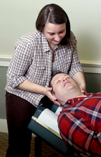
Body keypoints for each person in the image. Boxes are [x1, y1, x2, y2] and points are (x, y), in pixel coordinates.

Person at [5, 4, 86, 157]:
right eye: (51, 33)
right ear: (41, 28)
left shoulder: (70, 38)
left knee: (72, 131)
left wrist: (81, 84)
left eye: (61, 31)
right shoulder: (27, 43)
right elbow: (13, 78)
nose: (57, 38)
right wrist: (44, 90)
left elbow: (74, 65)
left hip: (53, 92)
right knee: (19, 143)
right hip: (23, 93)